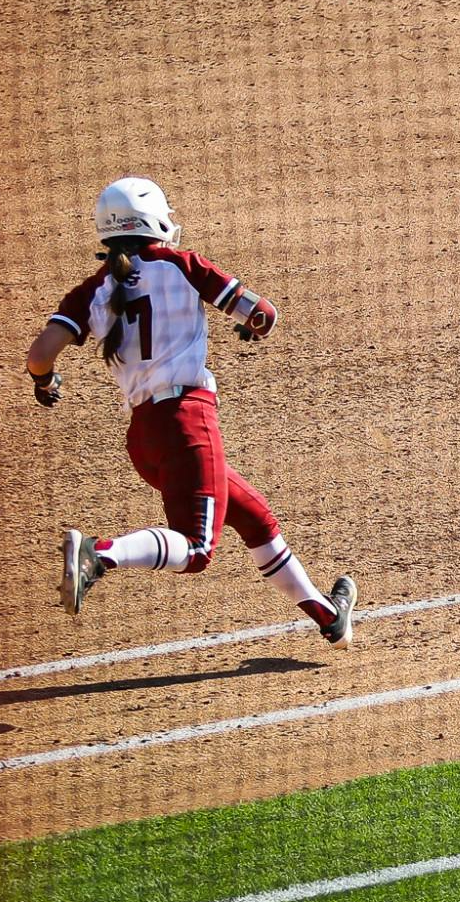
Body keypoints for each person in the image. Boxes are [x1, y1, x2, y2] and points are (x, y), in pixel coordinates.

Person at [24, 177, 357, 647]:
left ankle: (328, 616)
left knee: (253, 516)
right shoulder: (181, 265)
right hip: (187, 424)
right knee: (197, 549)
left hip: (144, 436)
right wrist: (251, 328)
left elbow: (40, 355)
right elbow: (264, 314)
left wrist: (45, 381)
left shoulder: (92, 291)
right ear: (156, 220)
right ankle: (100, 554)